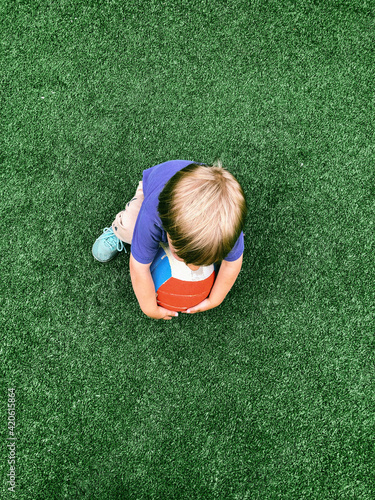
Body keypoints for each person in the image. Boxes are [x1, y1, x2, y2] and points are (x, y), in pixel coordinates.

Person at [92, 159, 247, 320]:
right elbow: (138, 269)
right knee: (131, 227)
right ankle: (118, 230)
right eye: (183, 256)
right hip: (151, 191)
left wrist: (215, 300)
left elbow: (232, 264)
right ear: (168, 229)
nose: (192, 268)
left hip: (192, 194)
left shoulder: (228, 229)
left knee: (220, 246)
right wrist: (150, 309)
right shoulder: (152, 217)